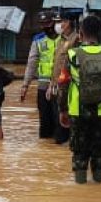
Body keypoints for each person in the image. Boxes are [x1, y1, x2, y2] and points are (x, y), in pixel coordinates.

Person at [57, 14, 101, 184]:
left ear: (80, 34)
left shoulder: (72, 54)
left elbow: (63, 84)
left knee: (79, 151)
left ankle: (81, 187)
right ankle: (99, 183)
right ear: (99, 33)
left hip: (77, 110)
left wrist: (62, 109)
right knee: (100, 151)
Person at [20, 12, 62, 140]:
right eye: (42, 24)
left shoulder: (65, 39)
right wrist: (25, 85)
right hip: (43, 86)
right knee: (45, 120)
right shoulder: (38, 40)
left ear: (54, 23)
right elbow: (32, 63)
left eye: (48, 23)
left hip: (61, 85)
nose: (45, 27)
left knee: (59, 118)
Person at [49, 15, 79, 145]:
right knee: (59, 117)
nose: (59, 25)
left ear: (69, 22)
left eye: (62, 21)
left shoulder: (76, 39)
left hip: (70, 85)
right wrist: (52, 84)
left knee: (68, 116)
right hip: (57, 84)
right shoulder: (60, 40)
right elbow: (56, 63)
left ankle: (69, 142)